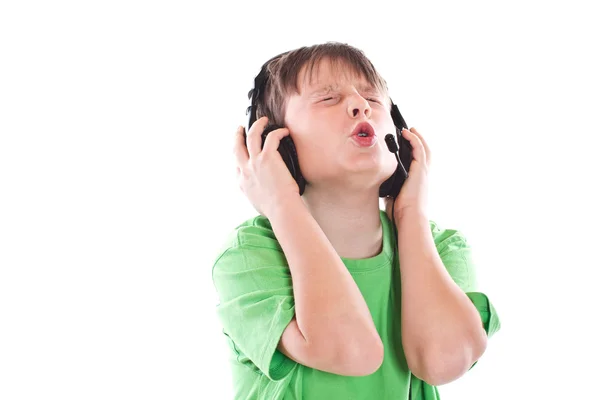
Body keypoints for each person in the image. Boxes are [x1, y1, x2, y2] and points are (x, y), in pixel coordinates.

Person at [211, 41, 501, 400]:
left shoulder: (440, 247)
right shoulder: (250, 254)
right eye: (327, 99)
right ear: (276, 145)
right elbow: (351, 352)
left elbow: (443, 361)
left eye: (373, 99)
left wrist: (411, 215)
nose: (360, 105)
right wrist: (282, 204)